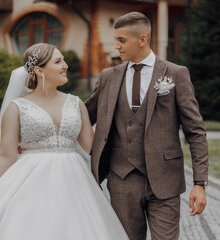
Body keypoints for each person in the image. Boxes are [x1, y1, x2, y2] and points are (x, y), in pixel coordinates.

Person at [0, 43, 128, 240]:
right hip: (30, 182)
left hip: (75, 184)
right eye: (58, 61)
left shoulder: (76, 103)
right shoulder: (17, 108)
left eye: (63, 60)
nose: (66, 66)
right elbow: (5, 155)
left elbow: (94, 147)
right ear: (39, 70)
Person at [85, 12, 209, 240]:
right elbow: (82, 117)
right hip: (121, 180)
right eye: (116, 40)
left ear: (142, 39)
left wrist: (199, 183)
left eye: (122, 40)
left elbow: (196, 132)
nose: (116, 46)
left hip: (165, 180)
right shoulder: (108, 77)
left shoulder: (175, 74)